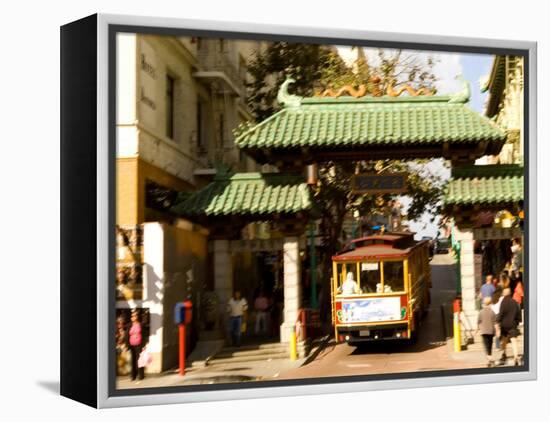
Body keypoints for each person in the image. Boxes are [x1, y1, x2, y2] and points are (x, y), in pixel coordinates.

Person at [496, 288, 521, 366]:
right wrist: (517, 322)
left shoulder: (503, 302)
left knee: (504, 341)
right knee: (514, 341)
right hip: (513, 324)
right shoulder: (514, 302)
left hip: (504, 325)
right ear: (510, 293)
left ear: (504, 294)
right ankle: (516, 357)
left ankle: (504, 354)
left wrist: (497, 321)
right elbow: (518, 314)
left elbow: (501, 313)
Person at [478, 297, 497, 367]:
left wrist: (479, 329)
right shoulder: (492, 312)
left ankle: (491, 359)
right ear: (490, 303)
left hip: (484, 332)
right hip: (491, 332)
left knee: (486, 347)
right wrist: (498, 331)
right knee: (490, 347)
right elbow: (495, 323)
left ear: (484, 304)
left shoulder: (481, 312)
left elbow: (478, 322)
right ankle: (489, 361)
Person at [128, 310, 143, 381]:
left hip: (139, 344)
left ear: (137, 317)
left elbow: (144, 334)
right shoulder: (129, 325)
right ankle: (133, 376)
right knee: (133, 360)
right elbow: (126, 335)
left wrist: (144, 344)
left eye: (135, 315)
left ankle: (140, 375)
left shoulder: (140, 324)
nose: (134, 317)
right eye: (132, 316)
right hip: (132, 345)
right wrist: (127, 345)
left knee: (139, 360)